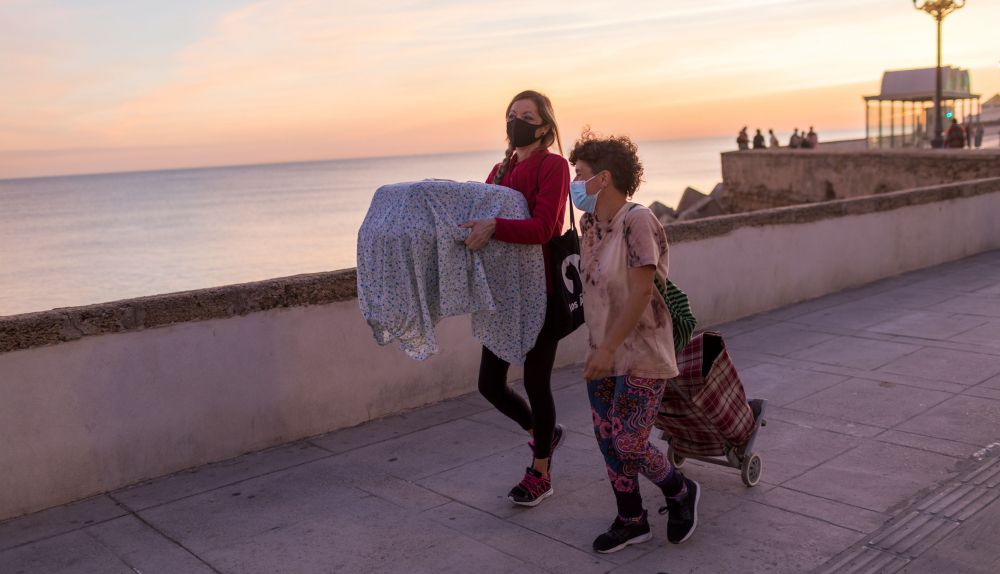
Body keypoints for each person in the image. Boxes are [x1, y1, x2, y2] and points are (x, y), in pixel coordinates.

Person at [568, 131, 700, 553]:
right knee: (608, 438)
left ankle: (680, 491)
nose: (575, 183)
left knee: (630, 442)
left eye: (580, 174)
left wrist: (607, 349)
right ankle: (631, 519)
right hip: (602, 350)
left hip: (641, 351)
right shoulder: (590, 224)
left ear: (603, 178)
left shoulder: (637, 220)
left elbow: (642, 291)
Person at [460, 90, 570, 506]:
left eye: (526, 115)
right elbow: (481, 216)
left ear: (545, 126)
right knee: (490, 383)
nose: (516, 121)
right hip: (504, 294)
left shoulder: (553, 166)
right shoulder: (500, 168)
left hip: (540, 291)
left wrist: (494, 226)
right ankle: (544, 433)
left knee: (536, 382)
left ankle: (540, 471)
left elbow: (545, 227)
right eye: (511, 115)